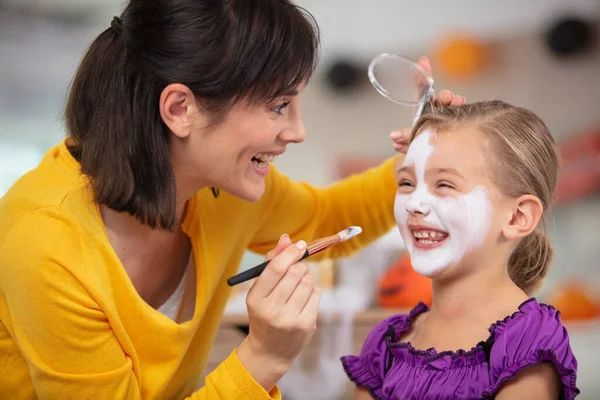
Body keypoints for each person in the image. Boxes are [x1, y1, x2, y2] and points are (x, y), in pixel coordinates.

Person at [0, 0, 465, 399]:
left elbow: (328, 218)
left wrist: (416, 165)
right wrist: (263, 355)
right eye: (279, 106)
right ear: (181, 109)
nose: (298, 132)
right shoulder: (45, 247)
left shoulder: (222, 189)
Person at [342, 101, 580, 400]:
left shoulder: (529, 342)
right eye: (406, 183)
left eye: (444, 184)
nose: (415, 203)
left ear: (518, 217)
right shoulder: (386, 342)